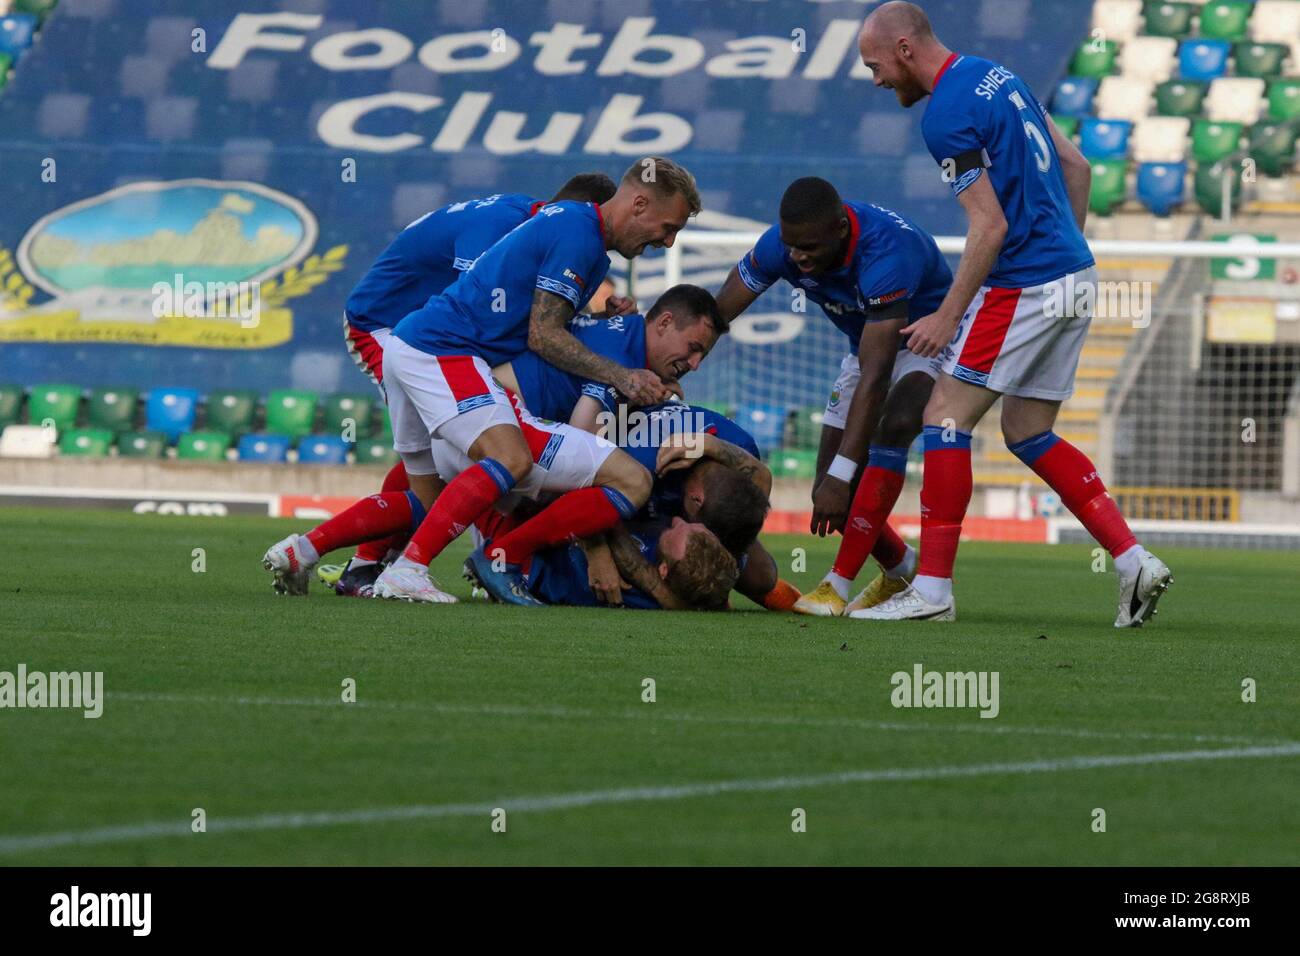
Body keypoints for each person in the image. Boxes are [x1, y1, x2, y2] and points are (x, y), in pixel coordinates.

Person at [852, 2, 1170, 625]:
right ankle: (1133, 562)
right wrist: (1064, 260)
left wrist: (947, 314)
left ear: (906, 50)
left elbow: (989, 226)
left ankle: (933, 593)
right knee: (1027, 432)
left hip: (1026, 281)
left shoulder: (945, 115)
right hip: (1076, 273)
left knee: (943, 416)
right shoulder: (1001, 77)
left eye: (876, 65)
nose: (877, 80)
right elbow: (1077, 167)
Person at [331, 173, 617, 596]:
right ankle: (381, 563)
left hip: (428, 336)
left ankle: (371, 564)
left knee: (450, 450)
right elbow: (472, 307)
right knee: (461, 449)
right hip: (387, 329)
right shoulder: (501, 225)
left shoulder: (527, 225)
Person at [714, 176, 953, 616]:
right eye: (790, 246)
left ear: (841, 229)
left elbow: (878, 376)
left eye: (808, 247)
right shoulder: (782, 246)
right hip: (866, 349)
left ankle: (836, 586)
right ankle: (901, 566)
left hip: (931, 339)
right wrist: (685, 351)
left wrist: (846, 476)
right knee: (827, 493)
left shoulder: (886, 253)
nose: (797, 257)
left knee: (895, 423)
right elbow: (723, 307)